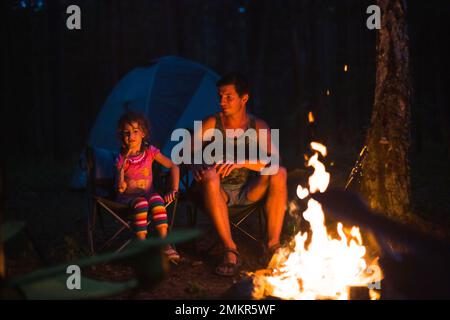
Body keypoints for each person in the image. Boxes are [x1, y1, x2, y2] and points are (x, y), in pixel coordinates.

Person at [192, 73, 287, 276]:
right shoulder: (212, 123)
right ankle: (230, 250)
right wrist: (196, 164)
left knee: (279, 172)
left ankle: (273, 246)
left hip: (248, 191)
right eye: (219, 96)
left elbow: (275, 161)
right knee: (210, 176)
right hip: (217, 191)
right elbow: (186, 150)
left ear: (244, 98)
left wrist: (241, 161)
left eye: (228, 97)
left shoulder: (257, 126)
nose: (222, 101)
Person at [115, 111, 180, 262]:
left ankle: (165, 243)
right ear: (122, 137)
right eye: (126, 133)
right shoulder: (122, 158)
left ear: (143, 133)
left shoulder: (150, 151)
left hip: (148, 194)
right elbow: (120, 185)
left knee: (157, 198)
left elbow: (173, 166)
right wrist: (121, 184)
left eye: (135, 132)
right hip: (128, 198)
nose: (131, 137)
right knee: (142, 202)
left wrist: (174, 189)